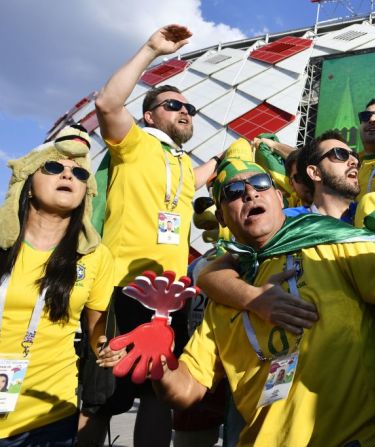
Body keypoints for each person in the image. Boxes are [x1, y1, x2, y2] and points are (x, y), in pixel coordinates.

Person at [154, 159, 375, 445]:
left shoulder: (335, 245)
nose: (250, 193)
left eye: (260, 184)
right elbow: (185, 390)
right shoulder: (224, 298)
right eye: (233, 192)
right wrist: (158, 363)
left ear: (279, 197)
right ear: (221, 217)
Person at [84, 24, 224, 446]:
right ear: (149, 115)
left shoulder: (181, 165)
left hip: (171, 297)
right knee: (100, 398)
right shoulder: (134, 143)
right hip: (119, 287)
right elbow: (107, 102)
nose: (186, 111)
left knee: (158, 396)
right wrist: (151, 49)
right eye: (173, 105)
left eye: (190, 108)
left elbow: (212, 168)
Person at [0, 125, 121, 445]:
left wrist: (106, 348)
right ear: (27, 186)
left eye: (80, 173)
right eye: (53, 167)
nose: (68, 175)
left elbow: (96, 329)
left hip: (51, 413)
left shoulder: (96, 257)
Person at [285, 130, 360, 223]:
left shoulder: (370, 215)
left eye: (355, 155)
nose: (355, 161)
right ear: (315, 173)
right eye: (340, 153)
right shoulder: (287, 222)